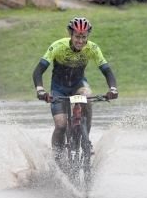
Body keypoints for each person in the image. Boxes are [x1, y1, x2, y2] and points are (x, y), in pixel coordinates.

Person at [32, 17, 118, 161]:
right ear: (70, 34)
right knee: (61, 125)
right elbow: (38, 70)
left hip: (79, 84)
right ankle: (57, 158)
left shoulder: (92, 48)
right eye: (77, 36)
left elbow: (107, 71)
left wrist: (113, 89)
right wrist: (40, 90)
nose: (80, 41)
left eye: (84, 37)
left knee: (87, 96)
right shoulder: (58, 46)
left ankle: (86, 140)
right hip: (59, 88)